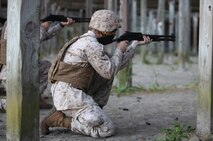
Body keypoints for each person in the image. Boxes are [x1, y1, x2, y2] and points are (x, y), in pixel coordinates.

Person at [41, 9, 152, 138]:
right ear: (102, 31)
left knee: (107, 70)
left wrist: (134, 45)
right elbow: (109, 71)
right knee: (106, 129)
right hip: (68, 94)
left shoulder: (90, 42)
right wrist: (119, 50)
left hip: (72, 91)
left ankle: (90, 111)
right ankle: (60, 119)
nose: (114, 34)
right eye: (113, 31)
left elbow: (116, 65)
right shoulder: (91, 45)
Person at [0, 17, 75, 112]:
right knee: (18, 105)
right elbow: (33, 40)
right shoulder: (13, 21)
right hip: (11, 71)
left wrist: (60, 25)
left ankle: (34, 98)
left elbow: (44, 36)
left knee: (46, 66)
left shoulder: (23, 21)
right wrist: (44, 26)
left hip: (24, 67)